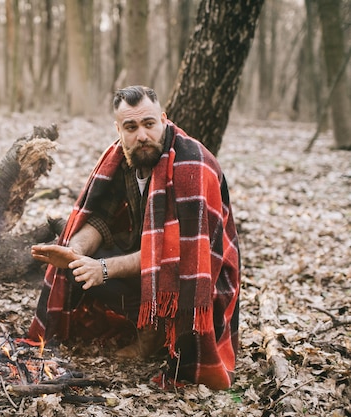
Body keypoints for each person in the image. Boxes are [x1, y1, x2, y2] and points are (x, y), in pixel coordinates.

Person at [27, 85, 241, 390]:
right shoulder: (122, 158)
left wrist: (102, 269)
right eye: (131, 127)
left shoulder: (193, 166)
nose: (141, 135)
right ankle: (147, 324)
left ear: (164, 120)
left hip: (201, 278)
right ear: (118, 129)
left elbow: (177, 256)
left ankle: (156, 333)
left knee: (104, 271)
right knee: (75, 272)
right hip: (153, 260)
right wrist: (74, 252)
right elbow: (100, 217)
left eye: (149, 124)